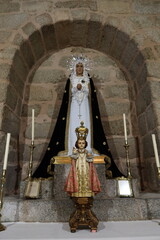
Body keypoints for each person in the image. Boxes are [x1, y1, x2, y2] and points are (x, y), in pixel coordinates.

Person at [32, 56, 123, 179]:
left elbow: (91, 96)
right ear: (74, 68)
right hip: (73, 107)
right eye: (77, 66)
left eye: (81, 66)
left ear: (84, 67)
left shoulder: (88, 79)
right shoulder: (71, 79)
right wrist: (76, 89)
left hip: (85, 106)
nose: (79, 68)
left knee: (86, 124)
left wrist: (84, 89)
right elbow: (67, 96)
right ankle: (72, 149)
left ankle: (87, 149)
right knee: (72, 125)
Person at [65, 122, 101, 197]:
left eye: (83, 143)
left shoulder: (87, 153)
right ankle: (78, 189)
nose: (81, 145)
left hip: (86, 168)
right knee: (78, 177)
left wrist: (89, 157)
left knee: (86, 177)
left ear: (85, 144)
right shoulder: (76, 153)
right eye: (80, 143)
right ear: (77, 144)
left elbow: (90, 160)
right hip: (78, 168)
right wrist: (75, 154)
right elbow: (73, 159)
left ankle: (87, 189)